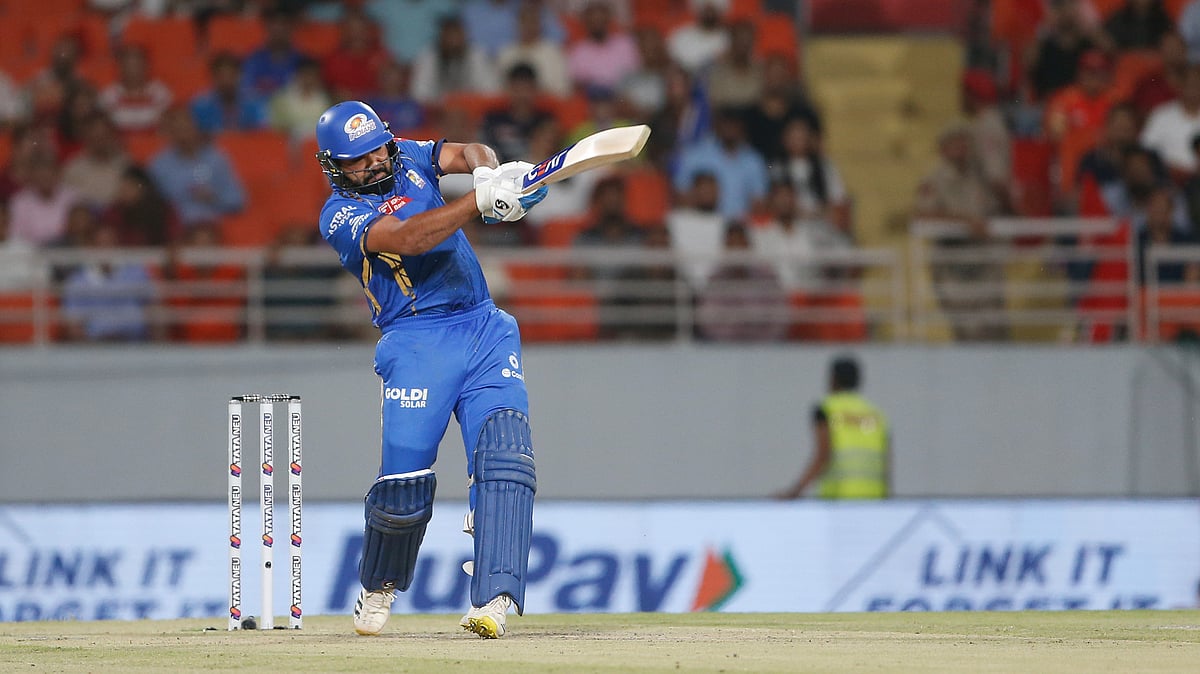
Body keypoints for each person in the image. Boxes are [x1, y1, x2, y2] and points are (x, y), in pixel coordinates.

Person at [313, 100, 548, 639]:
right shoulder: (338, 215)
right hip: (417, 342)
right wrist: (477, 202)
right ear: (333, 165)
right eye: (356, 159)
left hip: (484, 326)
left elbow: (465, 150)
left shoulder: (409, 157)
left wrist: (489, 171)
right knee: (404, 487)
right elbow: (408, 238)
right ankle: (378, 584)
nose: (373, 162)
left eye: (376, 148)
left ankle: (494, 599)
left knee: (507, 458)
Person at [775, 355, 890, 499]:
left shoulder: (827, 410)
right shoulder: (875, 415)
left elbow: (823, 456)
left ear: (833, 379)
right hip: (873, 499)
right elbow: (887, 463)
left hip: (838, 499)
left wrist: (795, 491)